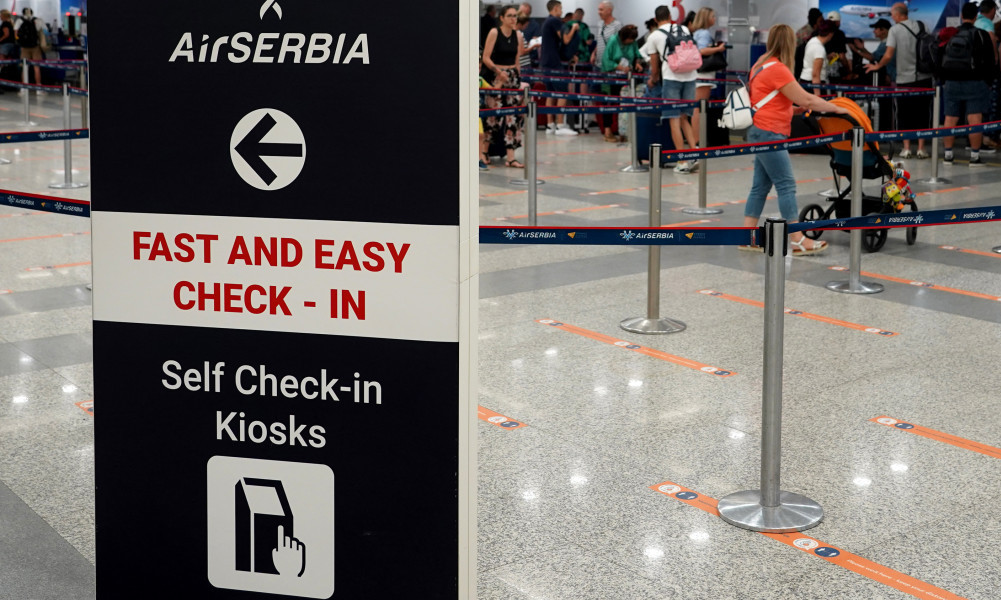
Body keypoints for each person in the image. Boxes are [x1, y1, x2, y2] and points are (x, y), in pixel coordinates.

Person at [741, 23, 849, 255]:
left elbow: (773, 99)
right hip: (770, 133)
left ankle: (747, 236)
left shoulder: (760, 64)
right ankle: (797, 239)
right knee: (786, 184)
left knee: (760, 186)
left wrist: (792, 110)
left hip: (758, 129)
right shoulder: (778, 68)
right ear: (790, 44)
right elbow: (807, 100)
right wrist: (838, 109)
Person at [865, 2, 931, 159]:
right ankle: (921, 148)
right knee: (923, 113)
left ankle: (906, 148)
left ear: (897, 14)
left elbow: (888, 55)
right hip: (924, 78)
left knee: (903, 114)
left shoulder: (895, 30)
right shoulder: (923, 26)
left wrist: (877, 66)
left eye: (892, 14)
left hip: (904, 79)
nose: (892, 17)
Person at [644, 4, 701, 174]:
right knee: (685, 117)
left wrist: (653, 80)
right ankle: (694, 153)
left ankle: (682, 161)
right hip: (691, 76)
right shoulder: (683, 28)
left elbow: (655, 67)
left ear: (655, 19)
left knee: (673, 118)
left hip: (671, 77)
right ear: (670, 16)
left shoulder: (653, 36)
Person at [941, 2, 995, 167]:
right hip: (975, 82)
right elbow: (990, 61)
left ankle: (948, 155)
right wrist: (988, 82)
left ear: (961, 16)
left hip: (951, 82)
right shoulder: (981, 34)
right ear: (975, 16)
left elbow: (941, 57)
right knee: (975, 118)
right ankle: (974, 156)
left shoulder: (952, 33)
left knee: (950, 118)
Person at [481, 5, 528, 167]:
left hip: (512, 77)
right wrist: (497, 71)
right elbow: (486, 57)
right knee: (492, 117)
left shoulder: (518, 35)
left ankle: (511, 156)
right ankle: (484, 152)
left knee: (513, 117)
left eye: (515, 16)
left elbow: (517, 60)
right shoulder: (495, 33)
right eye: (510, 16)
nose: (513, 19)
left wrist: (518, 78)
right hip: (497, 77)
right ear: (502, 18)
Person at [540, 0, 580, 135]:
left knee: (550, 93)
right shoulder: (555, 21)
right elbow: (566, 39)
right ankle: (560, 125)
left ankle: (550, 124)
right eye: (561, 8)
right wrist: (574, 28)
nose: (562, 11)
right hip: (554, 63)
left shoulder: (546, 22)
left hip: (546, 62)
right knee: (562, 92)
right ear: (556, 8)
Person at [599, 25, 642, 142]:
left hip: (625, 79)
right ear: (624, 37)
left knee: (622, 105)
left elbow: (637, 54)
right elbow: (606, 60)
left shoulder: (632, 42)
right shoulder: (613, 40)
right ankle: (608, 131)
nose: (632, 42)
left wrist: (637, 62)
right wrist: (620, 67)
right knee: (610, 103)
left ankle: (623, 131)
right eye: (630, 40)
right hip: (611, 78)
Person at [691, 8, 726, 145]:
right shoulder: (704, 33)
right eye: (712, 16)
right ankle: (697, 140)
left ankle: (696, 139)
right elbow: (702, 50)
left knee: (697, 107)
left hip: (698, 73)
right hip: (704, 73)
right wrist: (718, 49)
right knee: (699, 107)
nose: (714, 19)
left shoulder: (697, 33)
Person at [800, 19, 835, 95]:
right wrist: (817, 95)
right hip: (813, 84)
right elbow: (815, 74)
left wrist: (826, 58)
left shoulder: (813, 40)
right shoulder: (819, 49)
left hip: (806, 81)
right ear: (830, 34)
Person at [16, 7, 44, 87]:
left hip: (24, 47)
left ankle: (23, 88)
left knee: (25, 68)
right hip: (35, 47)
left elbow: (16, 34)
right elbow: (42, 33)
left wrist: (20, 41)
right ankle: (38, 87)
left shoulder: (19, 21)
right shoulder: (37, 20)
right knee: (36, 68)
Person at [824, 11, 853, 83]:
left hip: (821, 71)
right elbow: (842, 56)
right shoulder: (840, 34)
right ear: (838, 22)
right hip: (835, 73)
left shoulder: (819, 33)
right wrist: (848, 72)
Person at [591, 1, 622, 67]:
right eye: (598, 9)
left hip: (610, 66)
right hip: (598, 64)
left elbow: (620, 46)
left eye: (601, 10)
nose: (598, 12)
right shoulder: (600, 24)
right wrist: (594, 53)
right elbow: (599, 42)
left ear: (609, 11)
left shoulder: (617, 25)